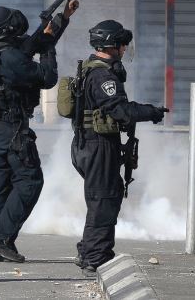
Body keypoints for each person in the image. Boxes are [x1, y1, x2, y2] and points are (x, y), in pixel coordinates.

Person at [0, 0, 78, 264]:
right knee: (30, 180)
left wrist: (61, 19)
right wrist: (50, 49)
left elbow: (33, 43)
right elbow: (47, 77)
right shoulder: (10, 57)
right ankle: (1, 238)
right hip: (12, 127)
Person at [71, 20, 166, 276]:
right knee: (103, 200)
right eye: (122, 45)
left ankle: (91, 250)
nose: (125, 50)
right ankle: (94, 256)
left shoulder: (95, 69)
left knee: (104, 198)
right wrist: (151, 112)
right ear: (111, 44)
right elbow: (120, 110)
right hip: (98, 145)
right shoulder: (102, 74)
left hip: (93, 143)